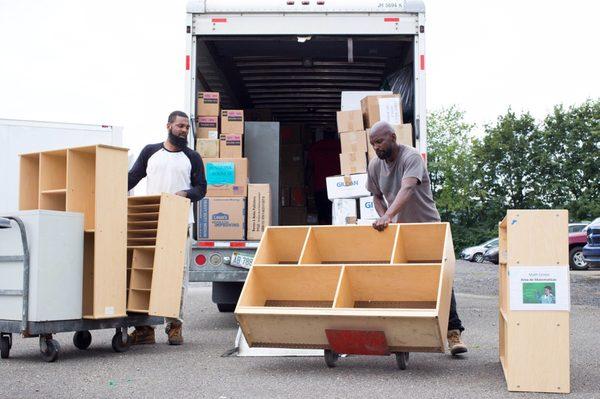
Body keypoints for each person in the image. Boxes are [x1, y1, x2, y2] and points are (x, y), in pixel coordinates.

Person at [366, 120, 468, 356]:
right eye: (373, 144)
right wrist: (385, 219)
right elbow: (376, 196)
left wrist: (389, 216)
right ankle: (405, 335)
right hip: (400, 232)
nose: (377, 148)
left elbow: (408, 188)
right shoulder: (374, 165)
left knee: (442, 281)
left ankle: (453, 334)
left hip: (427, 227)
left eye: (379, 142)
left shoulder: (411, 157)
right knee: (402, 282)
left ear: (392, 137)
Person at [127, 110, 207, 345]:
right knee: (145, 274)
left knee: (176, 276)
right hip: (150, 220)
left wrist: (186, 193)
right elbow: (131, 178)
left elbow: (201, 189)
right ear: (168, 126)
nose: (183, 130)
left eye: (186, 127)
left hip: (179, 222)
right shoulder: (150, 152)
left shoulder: (192, 157)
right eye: (180, 126)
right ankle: (144, 330)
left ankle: (174, 326)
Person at [307, 129, 341, 224]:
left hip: (319, 185)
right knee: (337, 212)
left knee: (322, 213)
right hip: (337, 185)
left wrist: (309, 184)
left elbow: (310, 167)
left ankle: (323, 232)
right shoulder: (340, 145)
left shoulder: (315, 146)